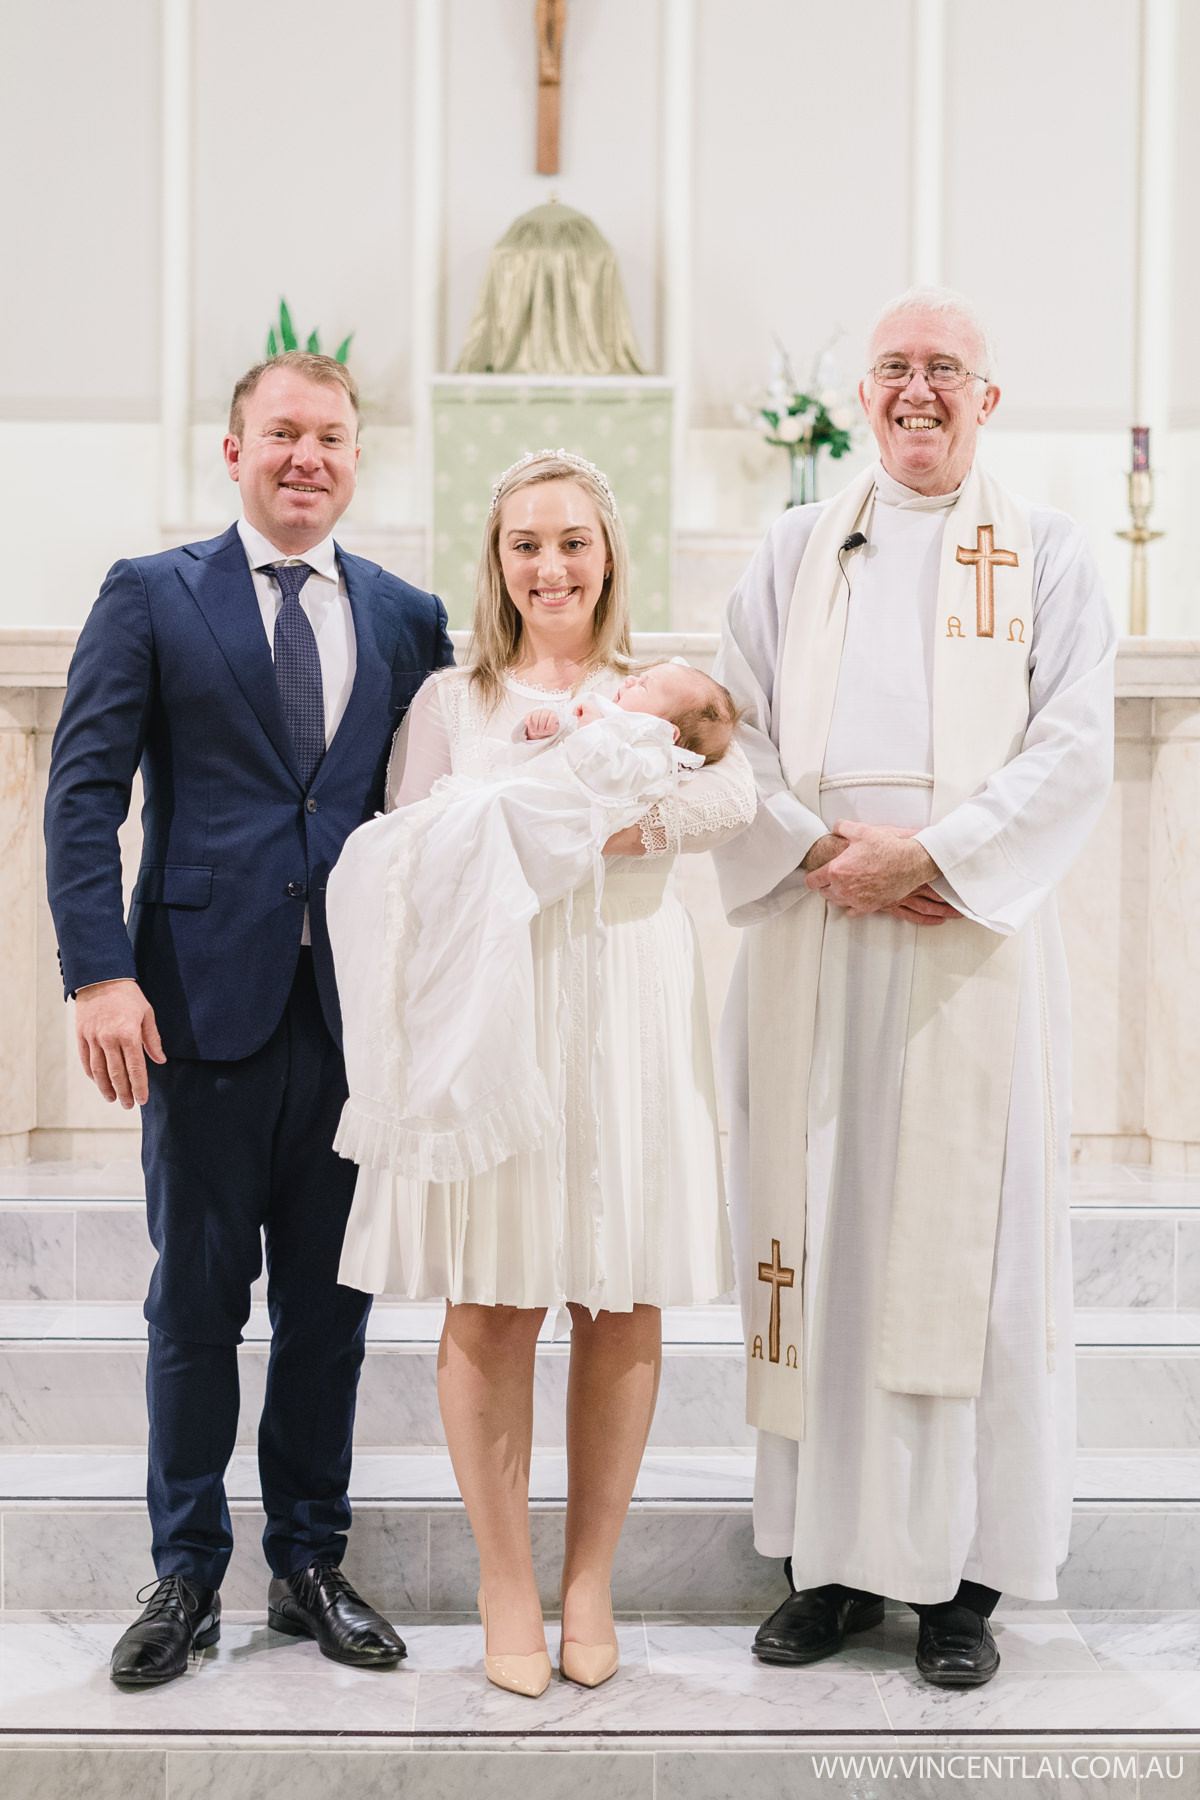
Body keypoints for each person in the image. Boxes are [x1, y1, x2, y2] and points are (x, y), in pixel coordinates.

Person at [712, 289, 1115, 1688]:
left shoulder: (1053, 553)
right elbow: (735, 731)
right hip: (819, 937)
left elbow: (1071, 744)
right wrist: (827, 850)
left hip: (964, 950)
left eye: (948, 369)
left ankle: (961, 1582)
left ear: (989, 400)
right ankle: (822, 1568)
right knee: (815, 1249)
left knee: (971, 1271)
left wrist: (936, 855)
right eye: (895, 368)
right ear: (860, 395)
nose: (920, 390)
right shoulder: (787, 553)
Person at [43, 351, 454, 1687]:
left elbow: (435, 819)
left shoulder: (407, 618)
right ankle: (183, 1575)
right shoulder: (154, 594)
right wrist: (100, 973)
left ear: (354, 458)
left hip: (354, 1026)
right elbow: (84, 790)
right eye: (282, 435)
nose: (306, 458)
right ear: (234, 450)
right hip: (198, 1015)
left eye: (330, 438)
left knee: (333, 1312)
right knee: (196, 1306)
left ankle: (311, 1564)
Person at [341, 448, 755, 1698]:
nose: (551, 565)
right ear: (497, 561)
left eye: (573, 541)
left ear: (609, 554)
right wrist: (525, 815)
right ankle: (505, 1579)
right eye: (527, 543)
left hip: (627, 998)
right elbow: (401, 853)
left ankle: (590, 1580)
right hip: (497, 1006)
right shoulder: (448, 703)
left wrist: (631, 819)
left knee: (620, 1295)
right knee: (493, 1295)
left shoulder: (658, 691)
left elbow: (734, 795)